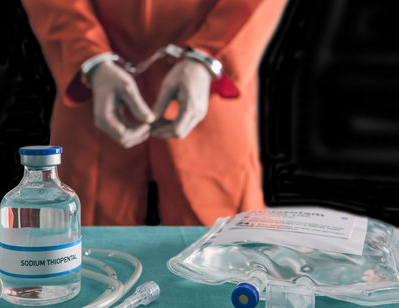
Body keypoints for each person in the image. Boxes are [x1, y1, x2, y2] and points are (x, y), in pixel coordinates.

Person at [21, 0, 288, 225]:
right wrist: (90, 57)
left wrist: (209, 57)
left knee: (221, 239)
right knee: (84, 239)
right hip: (96, 84)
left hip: (207, 85)